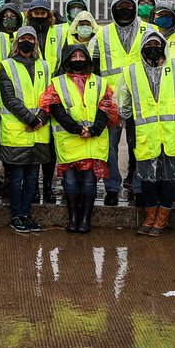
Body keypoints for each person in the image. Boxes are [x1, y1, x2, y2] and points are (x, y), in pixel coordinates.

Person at [120, 30, 175, 236]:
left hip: (171, 134)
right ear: (142, 48)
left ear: (163, 47)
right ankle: (150, 216)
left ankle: (162, 219)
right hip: (146, 135)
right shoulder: (132, 72)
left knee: (170, 178)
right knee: (147, 179)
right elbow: (124, 106)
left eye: (156, 44)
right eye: (148, 45)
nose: (152, 48)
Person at [41, 44, 117, 233]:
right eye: (73, 56)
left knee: (90, 180)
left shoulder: (100, 82)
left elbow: (106, 108)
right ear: (67, 60)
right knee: (70, 180)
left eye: (81, 56)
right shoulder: (57, 83)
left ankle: (85, 220)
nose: (77, 60)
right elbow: (55, 108)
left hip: (93, 140)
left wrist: (94, 130)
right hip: (69, 140)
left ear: (87, 59)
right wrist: (76, 129)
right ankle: (73, 218)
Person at [90, 0, 153, 206]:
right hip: (111, 100)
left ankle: (138, 186)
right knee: (110, 147)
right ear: (113, 9)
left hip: (140, 98)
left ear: (134, 9)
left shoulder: (149, 30)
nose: (124, 11)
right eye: (120, 8)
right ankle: (112, 187)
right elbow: (93, 67)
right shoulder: (102, 34)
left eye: (128, 7)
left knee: (140, 145)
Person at [0, 26, 52, 233]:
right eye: (23, 38)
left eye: (30, 38)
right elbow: (9, 98)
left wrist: (41, 118)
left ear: (36, 42)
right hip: (16, 132)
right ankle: (16, 215)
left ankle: (26, 215)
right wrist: (30, 119)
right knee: (16, 178)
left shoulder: (45, 66)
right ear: (17, 42)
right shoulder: (7, 65)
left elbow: (50, 96)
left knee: (32, 178)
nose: (26, 42)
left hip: (38, 132)